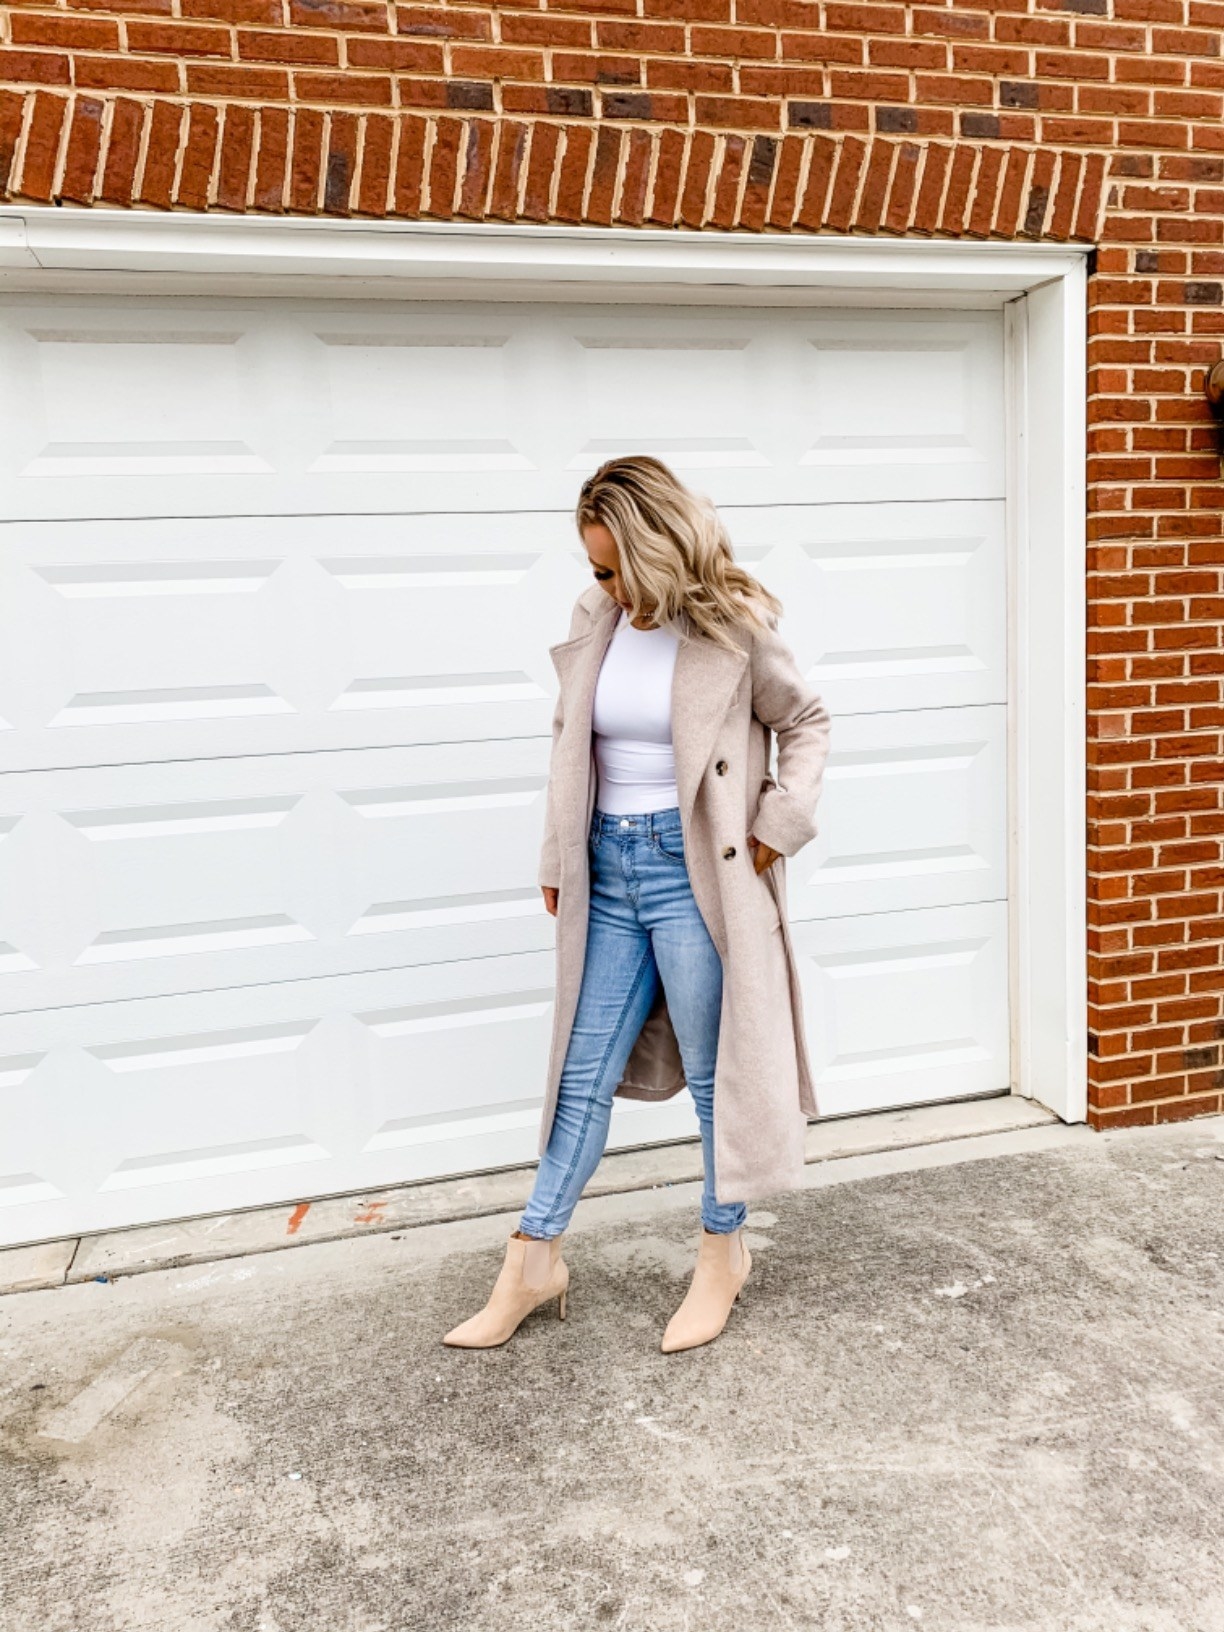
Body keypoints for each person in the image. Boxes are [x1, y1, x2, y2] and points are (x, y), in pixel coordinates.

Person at [443, 455, 831, 1354]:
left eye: (616, 567)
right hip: (607, 870)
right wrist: (556, 851)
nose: (606, 586)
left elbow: (806, 721)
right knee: (580, 1078)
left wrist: (778, 823)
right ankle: (532, 1260)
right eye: (596, 570)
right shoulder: (599, 619)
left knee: (715, 1080)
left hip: (696, 869)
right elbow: (566, 743)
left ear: (658, 550)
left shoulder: (734, 625)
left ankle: (721, 1253)